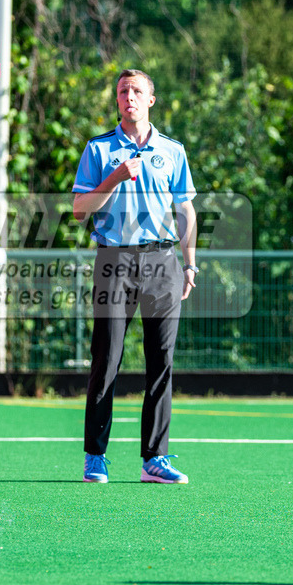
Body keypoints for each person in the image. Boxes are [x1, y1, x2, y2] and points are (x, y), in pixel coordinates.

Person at [71, 69, 198, 485]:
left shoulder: (173, 151)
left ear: (151, 100)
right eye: (123, 91)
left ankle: (154, 459)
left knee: (162, 363)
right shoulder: (99, 149)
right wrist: (117, 175)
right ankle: (95, 456)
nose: (130, 97)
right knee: (106, 359)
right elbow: (79, 209)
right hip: (114, 261)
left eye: (137, 91)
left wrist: (190, 263)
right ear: (117, 99)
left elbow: (185, 211)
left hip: (163, 263)